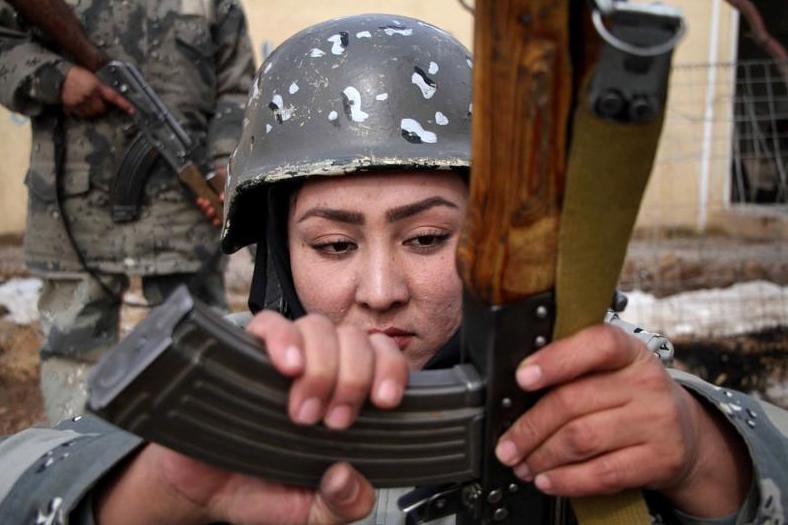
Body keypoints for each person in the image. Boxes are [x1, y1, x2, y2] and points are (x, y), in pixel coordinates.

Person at [1, 13, 786, 525]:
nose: (380, 291)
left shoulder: (585, 377)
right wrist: (161, 489)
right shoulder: (232, 389)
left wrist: (706, 454)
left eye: (427, 237)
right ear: (276, 253)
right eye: (335, 245)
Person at [0, 0, 256, 423]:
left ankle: (195, 462)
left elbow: (238, 85)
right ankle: (79, 466)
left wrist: (225, 166)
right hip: (74, 203)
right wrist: (56, 78)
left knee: (197, 350)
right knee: (73, 349)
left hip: (182, 211)